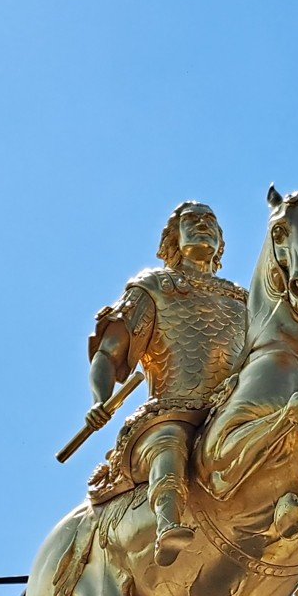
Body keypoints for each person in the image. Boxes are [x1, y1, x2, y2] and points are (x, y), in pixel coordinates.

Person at [85, 202, 248, 565]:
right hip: (172, 412)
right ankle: (168, 524)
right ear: (174, 237)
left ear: (221, 241)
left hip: (235, 412)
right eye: (192, 220)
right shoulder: (154, 287)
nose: (203, 225)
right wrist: (100, 400)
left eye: (210, 221)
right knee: (170, 442)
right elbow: (109, 352)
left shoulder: (244, 299)